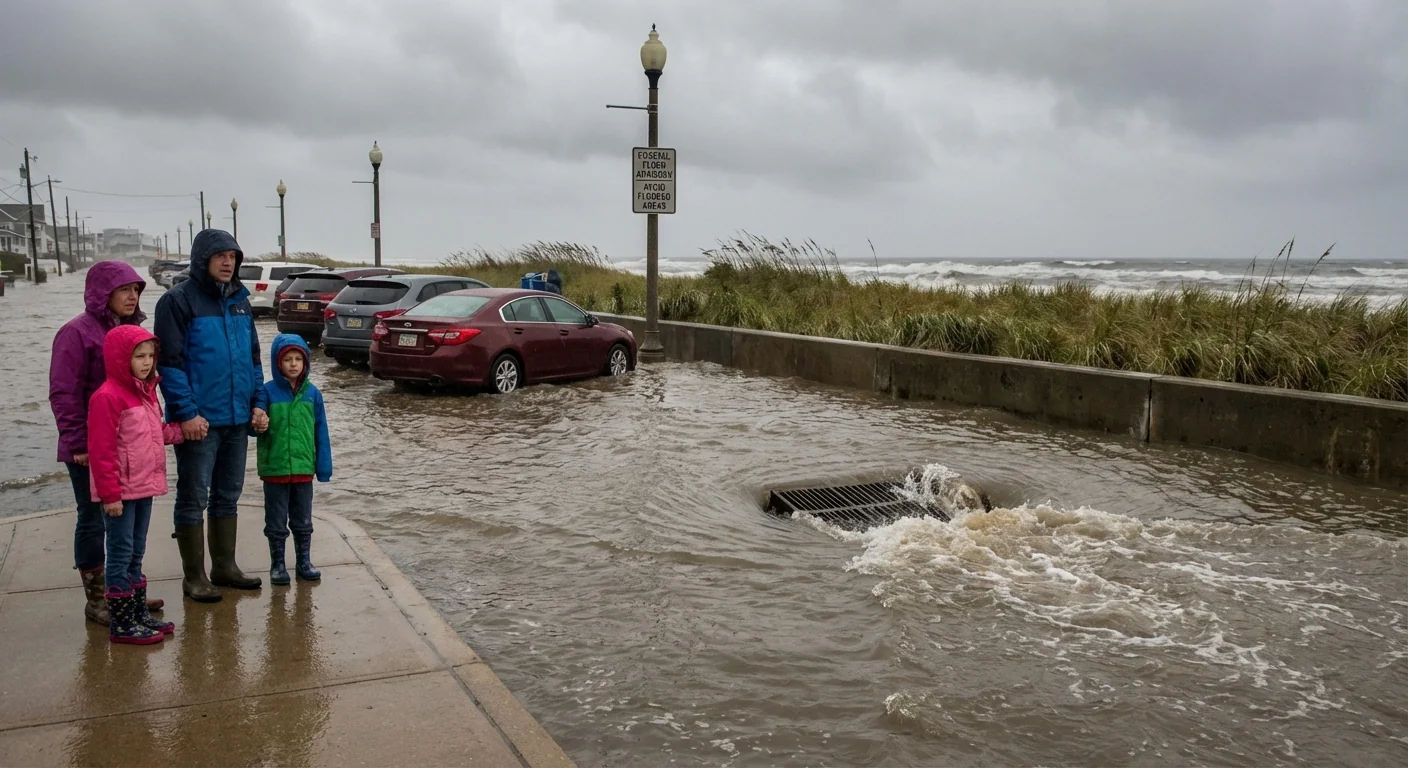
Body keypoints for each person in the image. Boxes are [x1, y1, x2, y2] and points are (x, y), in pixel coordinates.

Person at [154, 229, 268, 602]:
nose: (227, 262)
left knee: (227, 496)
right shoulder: (177, 301)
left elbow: (253, 359)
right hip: (199, 423)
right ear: (202, 259)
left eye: (233, 256)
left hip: (237, 418)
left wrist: (258, 402)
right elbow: (169, 365)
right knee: (193, 498)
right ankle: (194, 577)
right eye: (219, 255)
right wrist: (186, 413)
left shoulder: (240, 301)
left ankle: (225, 567)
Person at [48, 260, 163, 624]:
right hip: (88, 446)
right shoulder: (75, 333)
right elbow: (63, 392)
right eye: (125, 290)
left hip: (126, 444)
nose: (133, 296)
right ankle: (98, 598)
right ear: (103, 293)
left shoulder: (131, 330)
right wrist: (78, 442)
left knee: (128, 525)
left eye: (136, 290)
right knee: (93, 518)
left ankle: (125, 589)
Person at [86, 325, 182, 644]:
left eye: (150, 355)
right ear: (119, 358)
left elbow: (151, 435)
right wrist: (110, 495)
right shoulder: (107, 397)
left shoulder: (147, 392)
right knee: (120, 551)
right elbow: (102, 451)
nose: (146, 362)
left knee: (136, 551)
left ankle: (138, 612)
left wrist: (179, 432)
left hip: (144, 487)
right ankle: (122, 623)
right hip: (120, 494)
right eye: (138, 356)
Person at [253, 334, 333, 584]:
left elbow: (321, 431)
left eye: (298, 358)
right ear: (277, 362)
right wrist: (259, 422)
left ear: (306, 362)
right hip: (274, 469)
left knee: (303, 519)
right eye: (287, 359)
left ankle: (304, 561)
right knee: (276, 521)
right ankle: (277, 565)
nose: (293, 364)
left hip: (302, 469)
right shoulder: (266, 392)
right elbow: (255, 422)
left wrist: (323, 467)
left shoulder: (313, 394)